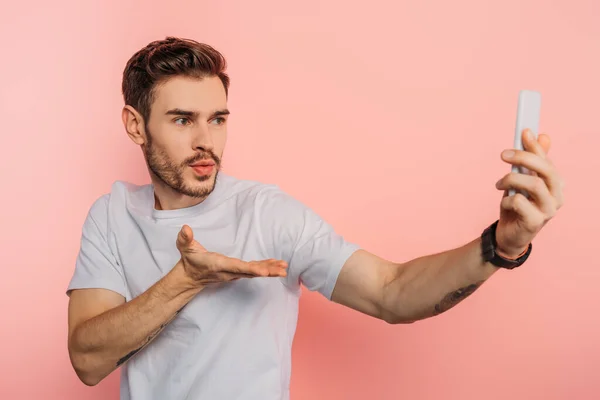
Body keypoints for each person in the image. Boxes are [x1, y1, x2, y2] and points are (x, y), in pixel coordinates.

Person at [66, 36, 565, 400]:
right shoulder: (112, 215)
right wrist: (186, 280)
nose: (206, 141)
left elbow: (391, 291)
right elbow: (88, 361)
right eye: (182, 119)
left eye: (218, 119)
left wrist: (503, 244)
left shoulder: (267, 214)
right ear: (136, 125)